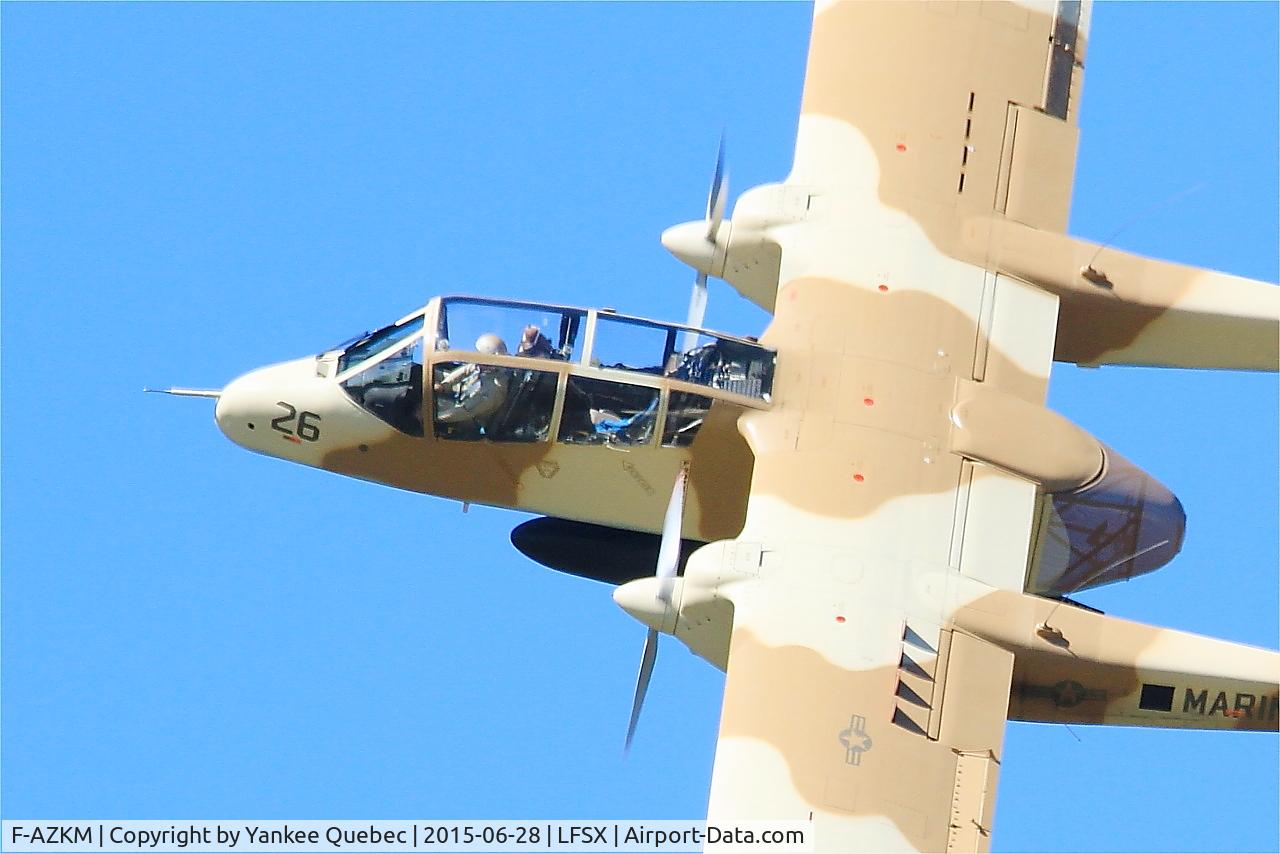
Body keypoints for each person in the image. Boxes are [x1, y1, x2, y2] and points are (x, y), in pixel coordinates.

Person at [433, 333, 510, 430]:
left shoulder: (492, 391)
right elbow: (466, 371)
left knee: (433, 406)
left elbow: (465, 411)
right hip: (465, 391)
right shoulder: (485, 367)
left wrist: (433, 417)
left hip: (469, 418)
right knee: (430, 373)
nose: (476, 357)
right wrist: (444, 385)